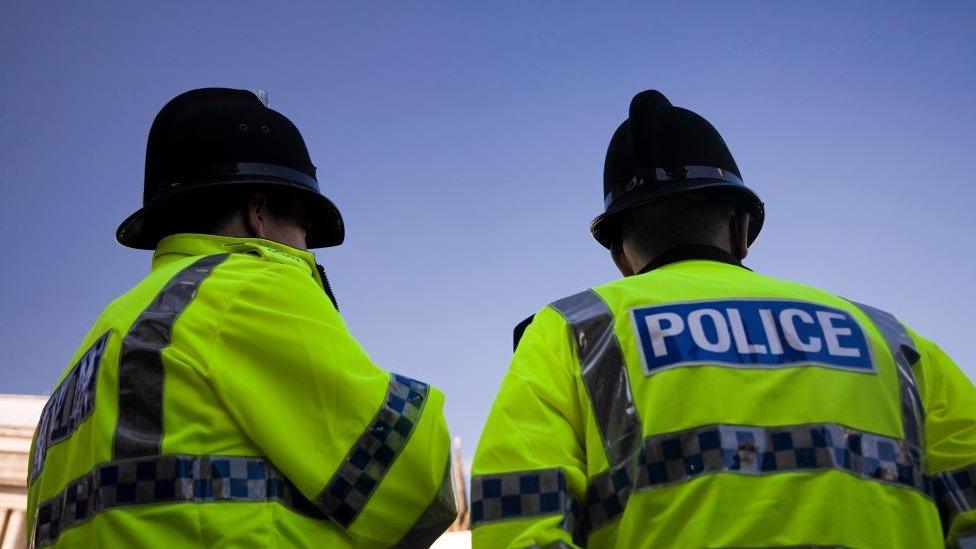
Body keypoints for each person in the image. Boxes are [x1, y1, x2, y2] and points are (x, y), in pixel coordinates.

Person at [471, 90, 976, 548]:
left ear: (621, 256)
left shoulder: (574, 331)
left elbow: (518, 515)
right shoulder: (890, 338)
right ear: (742, 228)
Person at [26, 88, 456, 548]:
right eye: (305, 228)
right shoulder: (247, 286)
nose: (306, 248)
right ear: (259, 214)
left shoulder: (100, 345)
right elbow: (412, 485)